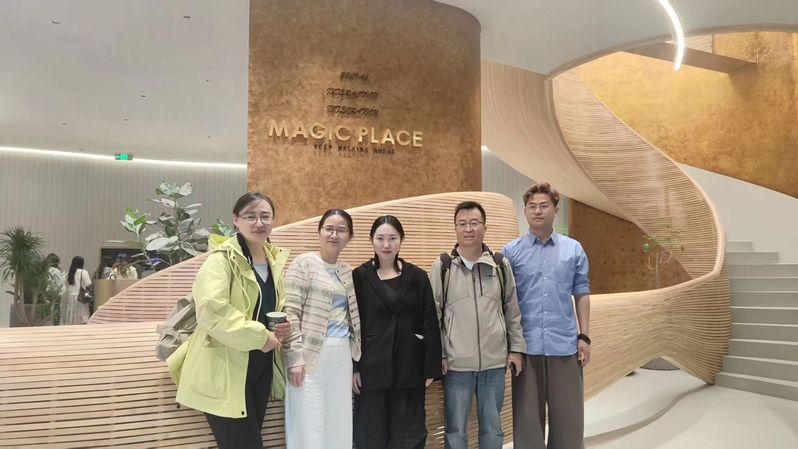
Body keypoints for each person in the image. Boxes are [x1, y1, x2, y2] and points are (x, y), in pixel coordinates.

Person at [166, 192, 291, 449]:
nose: (259, 223)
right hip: (224, 365)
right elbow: (212, 310)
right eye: (250, 216)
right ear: (236, 220)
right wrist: (260, 336)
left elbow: (270, 307)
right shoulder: (220, 260)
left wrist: (282, 327)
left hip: (261, 364)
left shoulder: (273, 261)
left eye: (265, 216)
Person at [430, 201, 526, 449]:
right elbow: (433, 315)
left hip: (494, 363)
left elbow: (512, 310)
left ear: (485, 227)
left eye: (474, 223)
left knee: (492, 429)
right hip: (456, 365)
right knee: (455, 430)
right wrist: (440, 354)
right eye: (462, 224)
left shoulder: (500, 264)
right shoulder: (443, 266)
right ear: (455, 228)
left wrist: (516, 349)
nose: (468, 229)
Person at [503, 183, 591, 449]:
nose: (538, 211)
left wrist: (584, 336)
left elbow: (581, 293)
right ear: (525, 211)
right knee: (527, 421)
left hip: (564, 345)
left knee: (569, 420)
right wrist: (510, 345)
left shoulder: (573, 249)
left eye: (544, 206)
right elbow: (505, 301)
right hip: (526, 348)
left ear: (555, 209)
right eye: (532, 206)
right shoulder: (510, 252)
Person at [352, 215, 442, 449]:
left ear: (401, 240)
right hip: (371, 369)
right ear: (371, 240)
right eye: (380, 238)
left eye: (392, 238)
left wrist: (430, 368)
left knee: (409, 433)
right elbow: (353, 324)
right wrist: (355, 368)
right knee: (371, 434)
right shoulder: (359, 277)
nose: (386, 244)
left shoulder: (417, 276)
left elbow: (429, 322)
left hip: (409, 368)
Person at [283, 208, 361, 449]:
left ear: (349, 236)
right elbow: (290, 312)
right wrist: (294, 358)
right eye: (329, 229)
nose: (334, 235)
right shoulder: (304, 263)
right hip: (309, 355)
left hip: (342, 356)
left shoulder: (349, 272)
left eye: (341, 230)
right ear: (319, 232)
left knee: (339, 424)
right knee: (309, 423)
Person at [62, 256, 92, 324]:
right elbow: (88, 283)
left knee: (72, 315)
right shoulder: (83, 272)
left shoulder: (69, 273)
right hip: (80, 296)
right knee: (82, 315)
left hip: (70, 296)